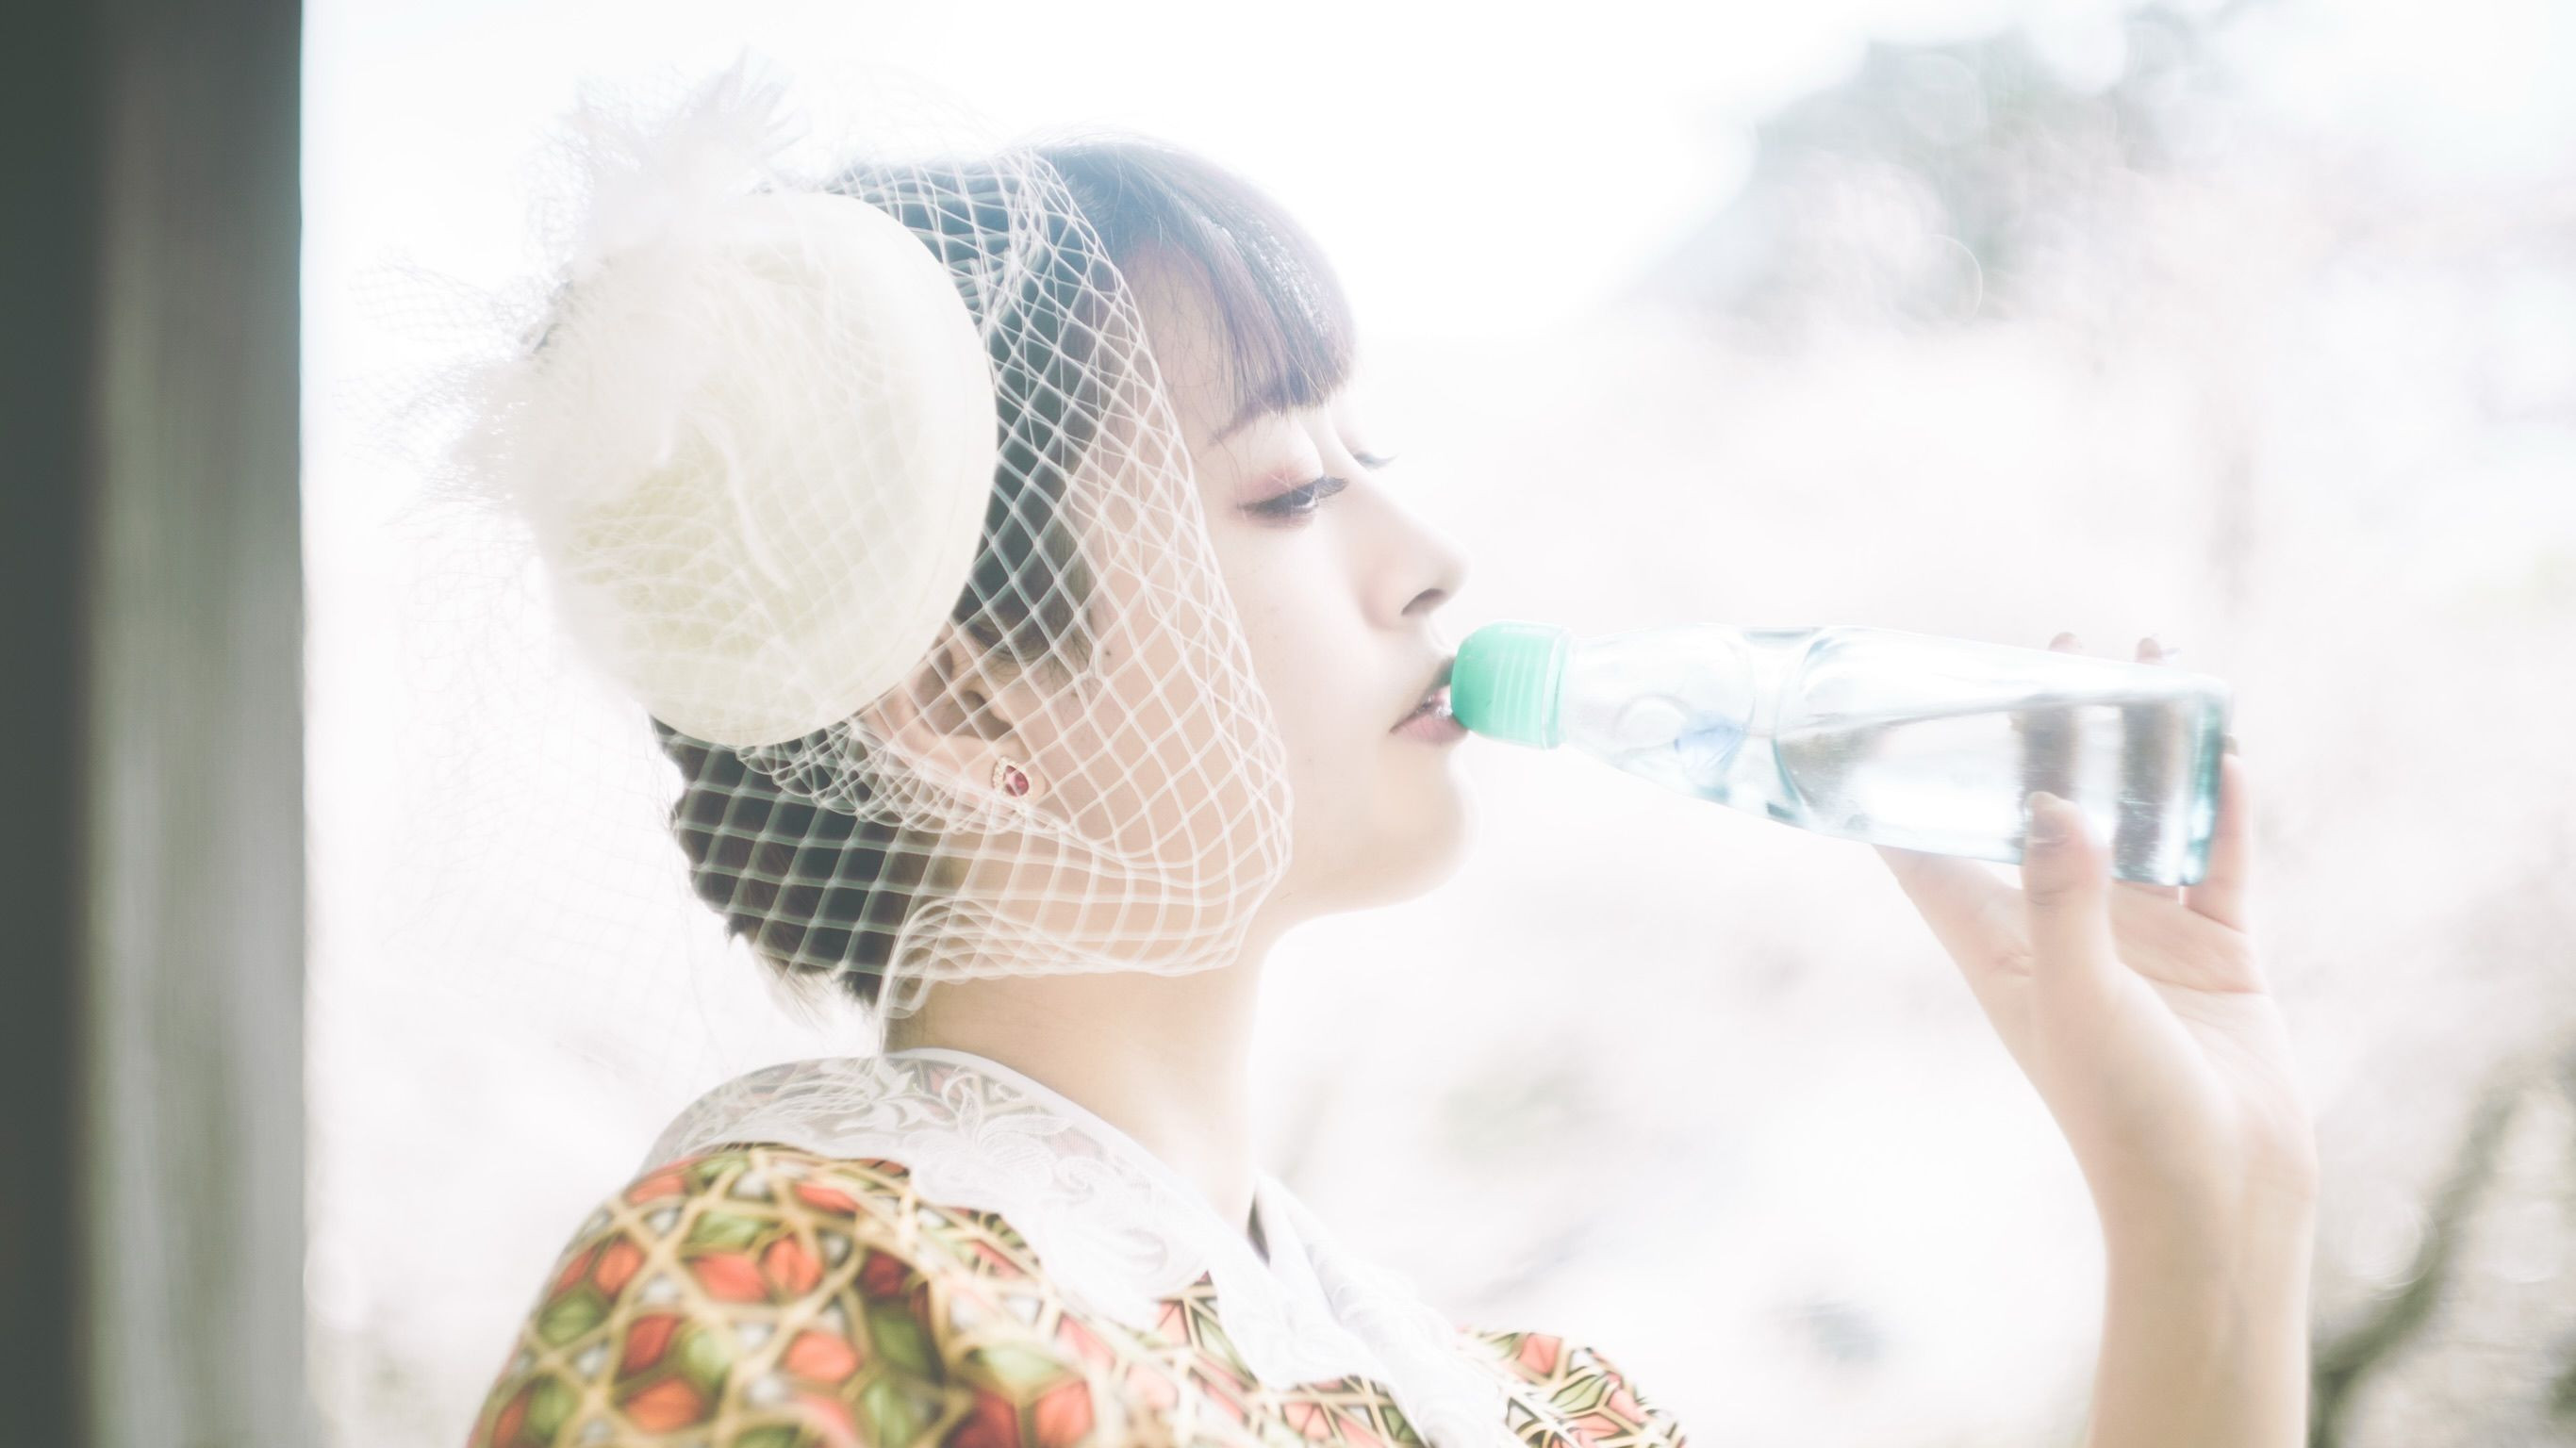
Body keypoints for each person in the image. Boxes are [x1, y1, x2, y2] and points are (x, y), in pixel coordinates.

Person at [455, 60, 2316, 1448]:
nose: (1429, 557)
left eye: (1374, 458)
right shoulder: (777, 1307)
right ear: (962, 704)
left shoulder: (1530, 1408)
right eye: (1285, 487)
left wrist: (2210, 1212)